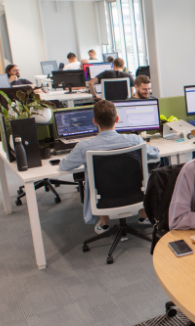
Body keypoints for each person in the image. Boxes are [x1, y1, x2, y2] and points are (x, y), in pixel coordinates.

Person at [59, 100, 160, 234]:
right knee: (140, 172)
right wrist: (149, 145)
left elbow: (64, 166)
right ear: (117, 119)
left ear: (94, 121)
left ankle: (104, 224)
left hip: (104, 198)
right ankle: (144, 216)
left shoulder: (84, 146)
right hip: (134, 193)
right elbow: (155, 155)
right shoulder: (135, 140)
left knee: (99, 177)